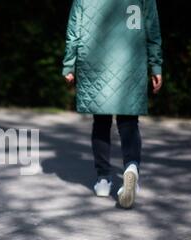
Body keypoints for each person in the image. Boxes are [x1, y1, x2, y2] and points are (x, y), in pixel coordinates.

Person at [62, 0, 163, 208]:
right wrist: (156, 65)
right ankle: (131, 166)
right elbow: (152, 28)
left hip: (95, 62)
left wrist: (69, 64)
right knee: (129, 121)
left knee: (101, 121)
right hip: (131, 62)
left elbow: (74, 29)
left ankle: (103, 179)